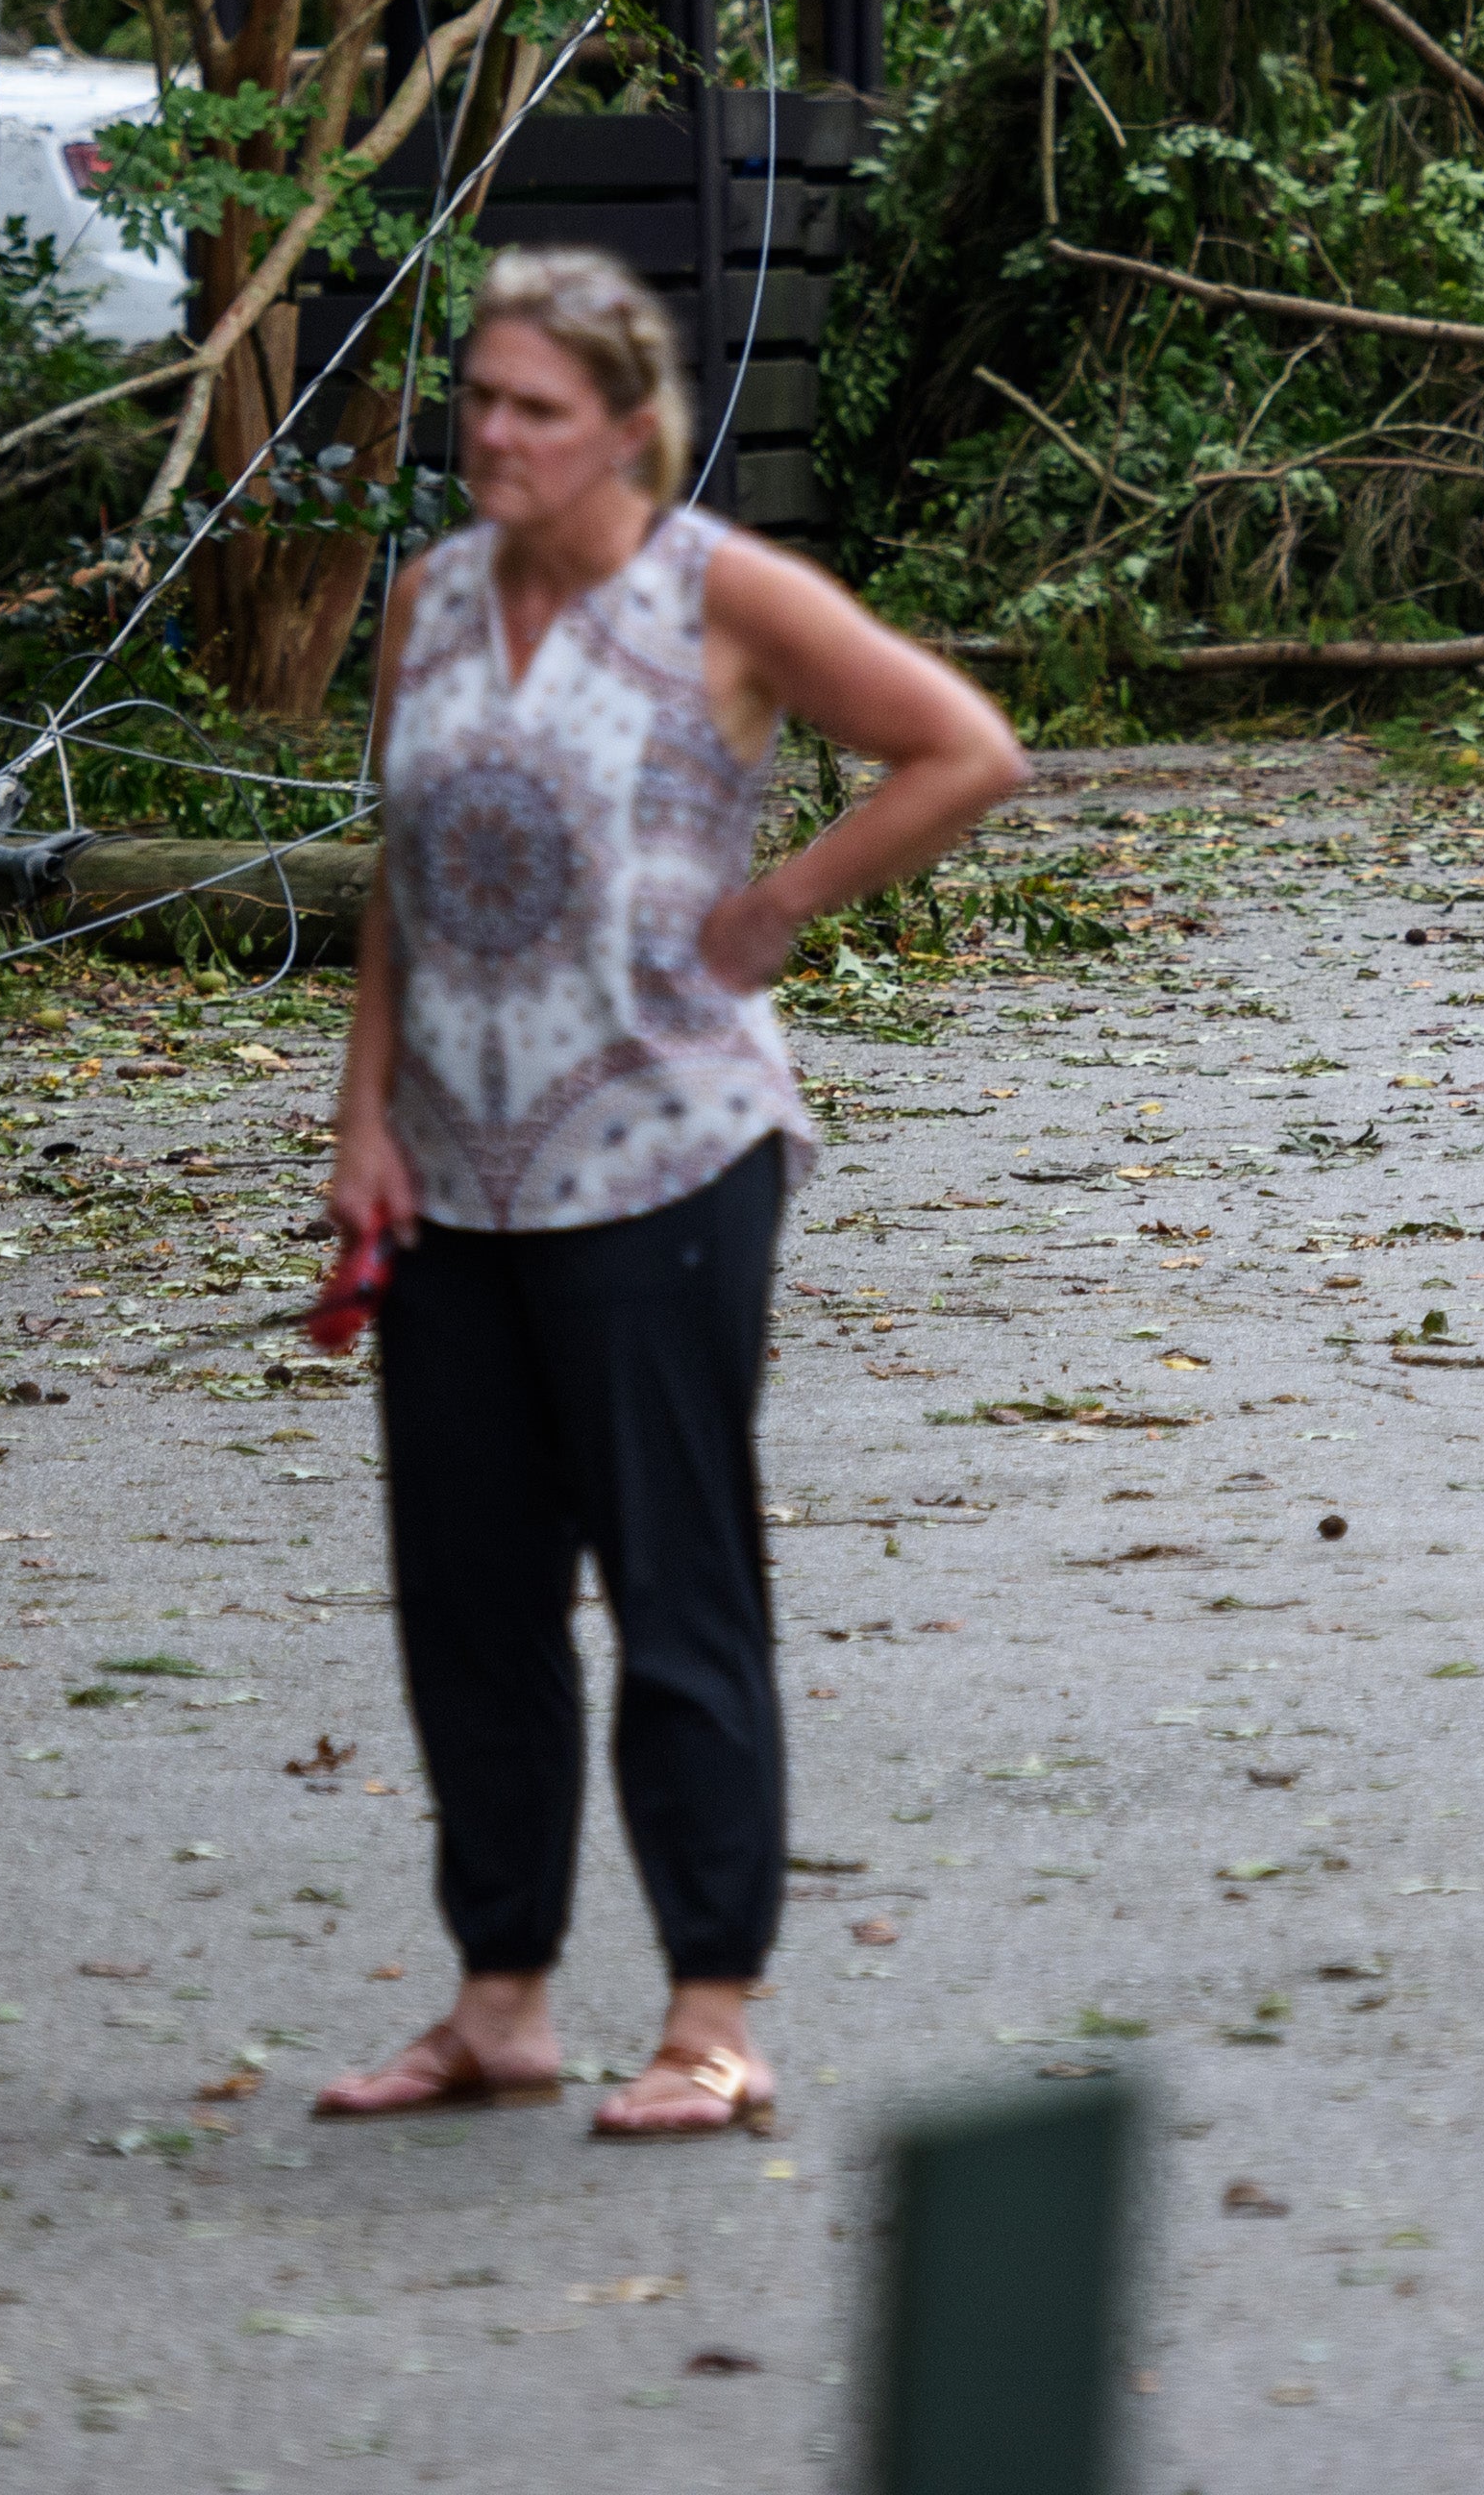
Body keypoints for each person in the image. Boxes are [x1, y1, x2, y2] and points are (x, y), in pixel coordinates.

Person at [307, 247, 1028, 2142]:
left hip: (665, 1155)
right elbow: (399, 873)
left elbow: (965, 748)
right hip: (454, 1170)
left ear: (629, 426)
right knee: (468, 1594)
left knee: (672, 1579)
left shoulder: (720, 591)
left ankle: (713, 2010)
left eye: (535, 408)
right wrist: (361, 1111)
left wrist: (782, 899)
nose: (492, 433)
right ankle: (500, 1999)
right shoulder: (430, 599)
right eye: (477, 397)